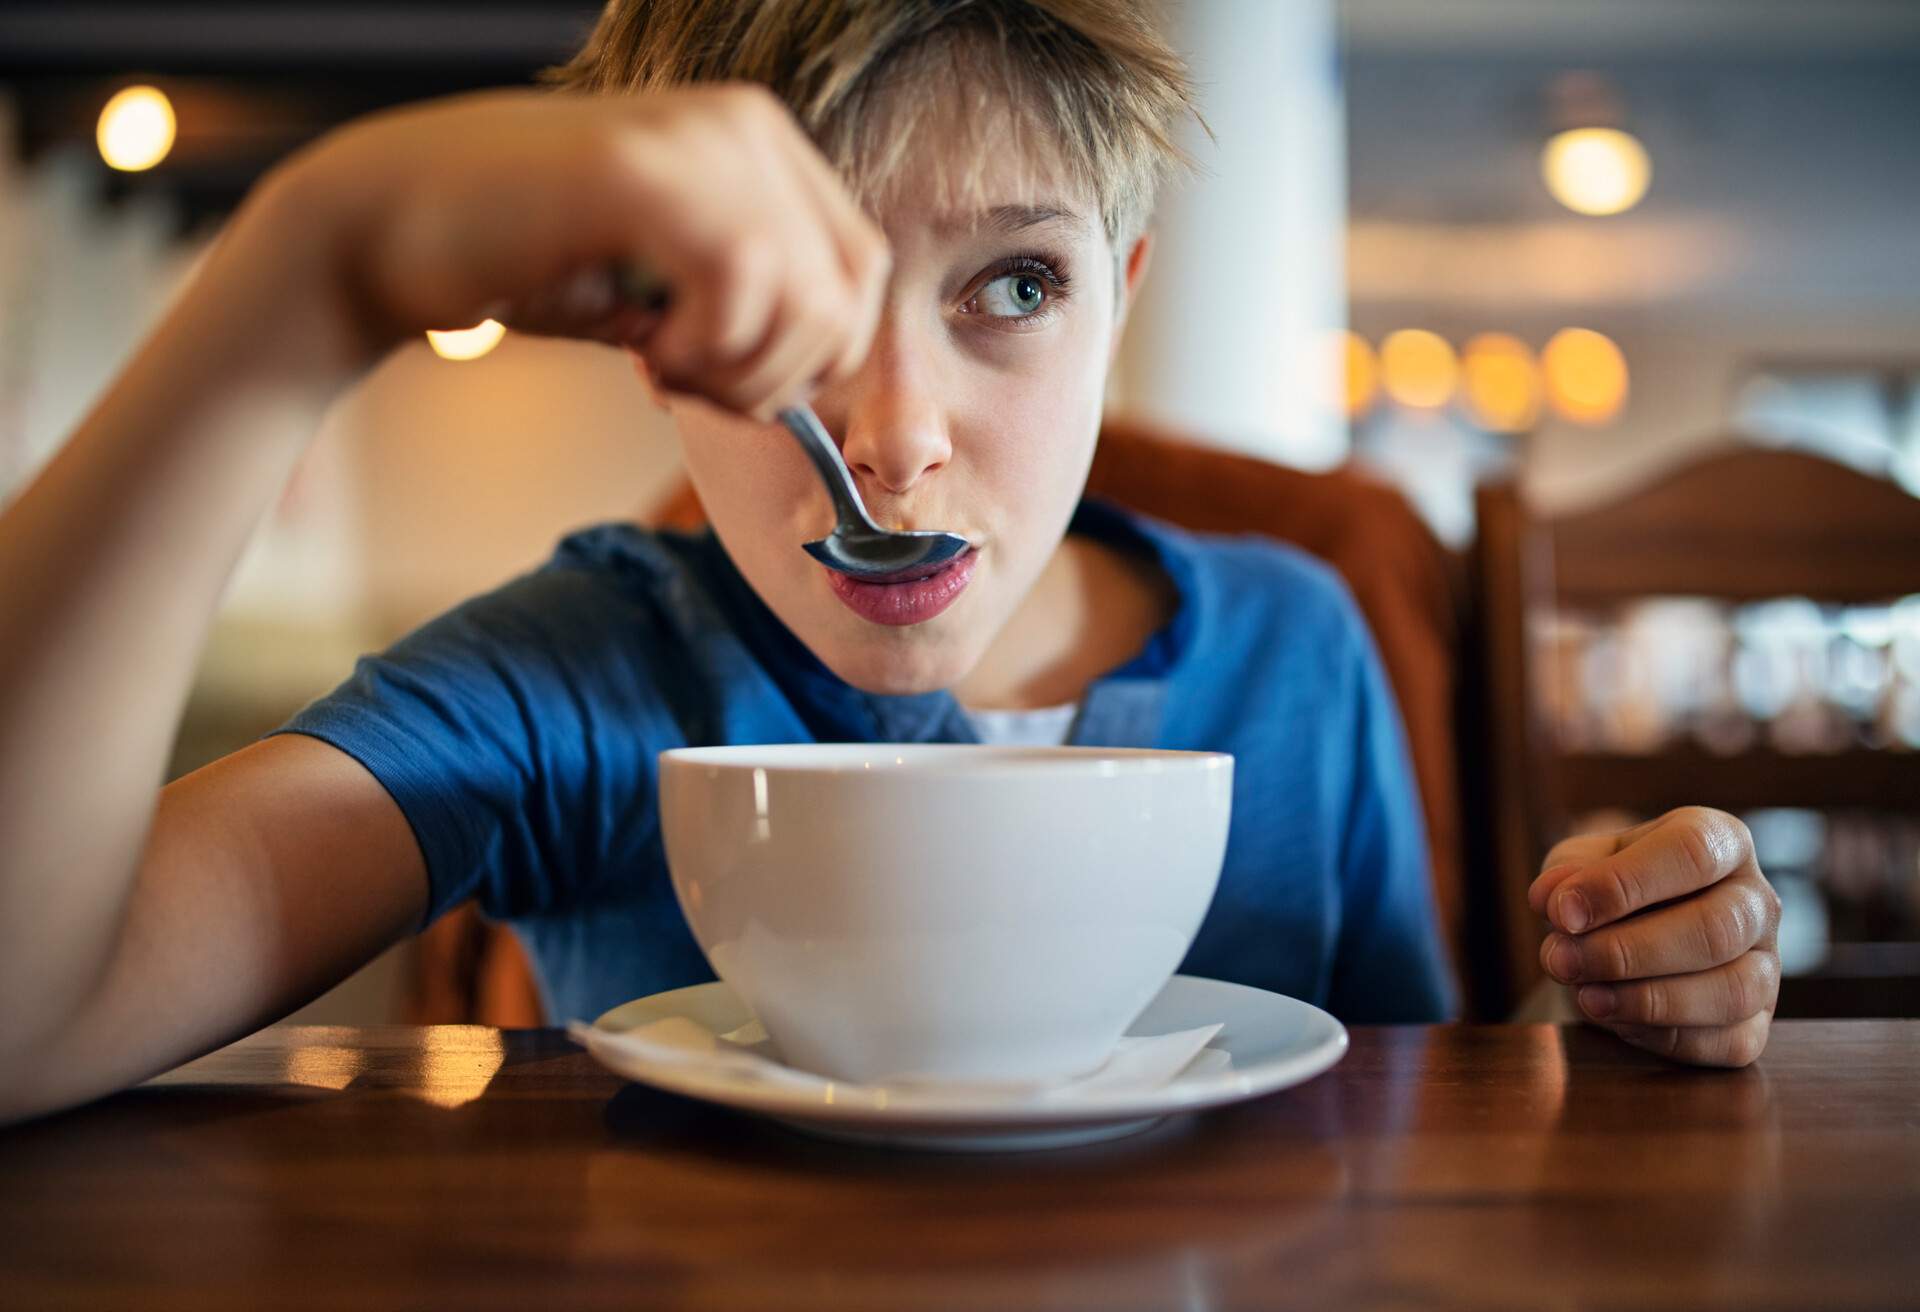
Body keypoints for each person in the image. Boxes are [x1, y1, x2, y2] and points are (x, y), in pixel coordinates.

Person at [0, 0, 1781, 1124]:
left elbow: (1415, 1112)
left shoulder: (1301, 651)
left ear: (1120, 303)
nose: (899, 435)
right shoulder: (575, 682)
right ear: (652, 336)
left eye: (1015, 285)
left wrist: (1619, 988)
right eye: (806, 297)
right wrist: (302, 279)